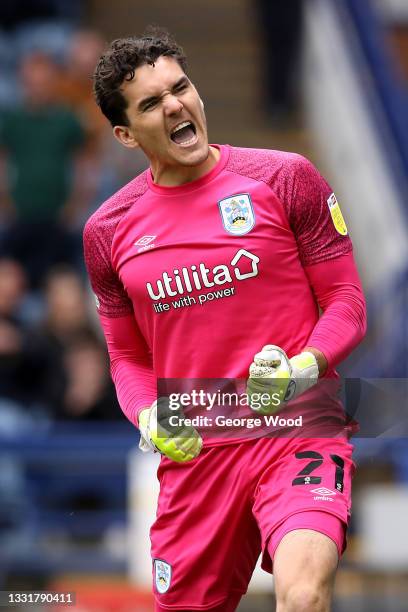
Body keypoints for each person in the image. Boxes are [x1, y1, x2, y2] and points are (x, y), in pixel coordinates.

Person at [84, 28, 367, 612]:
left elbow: (346, 302)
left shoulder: (285, 178)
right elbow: (126, 356)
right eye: (151, 104)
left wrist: (302, 368)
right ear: (125, 134)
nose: (174, 105)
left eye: (180, 87)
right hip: (197, 449)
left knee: (303, 592)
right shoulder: (108, 232)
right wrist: (147, 414)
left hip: (298, 423)